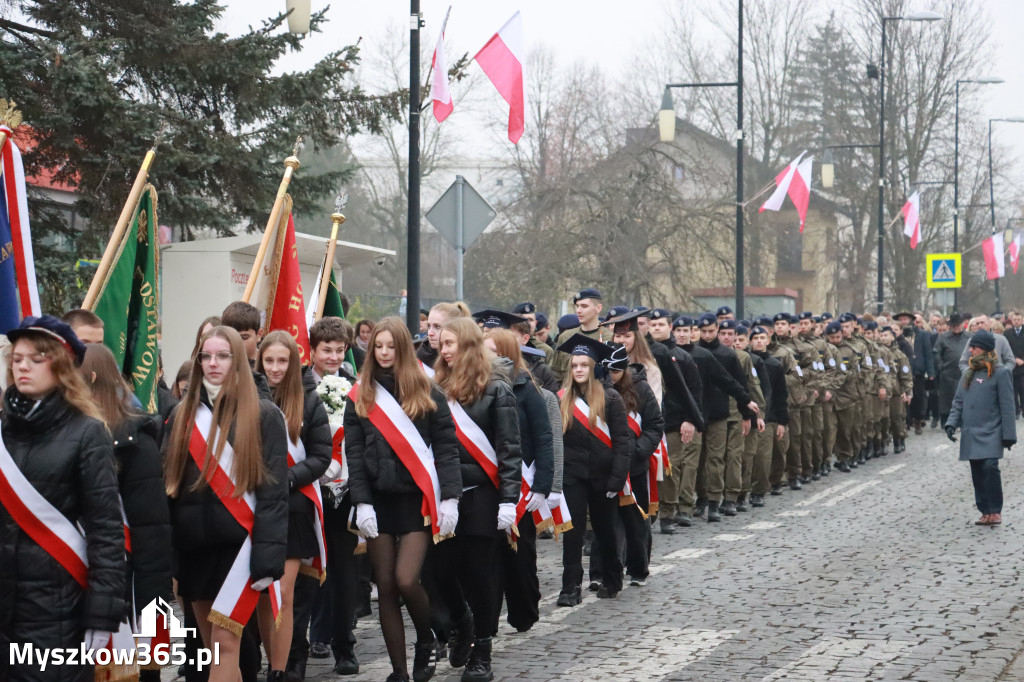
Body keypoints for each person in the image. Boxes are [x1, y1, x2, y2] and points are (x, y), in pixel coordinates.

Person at [0, 316, 126, 682]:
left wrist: (102, 614)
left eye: (36, 358)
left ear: (62, 365)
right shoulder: (3, 430)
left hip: (58, 610)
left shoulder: (88, 433)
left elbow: (106, 532)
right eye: (17, 358)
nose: (22, 365)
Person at [164, 326, 289, 682]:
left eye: (222, 355)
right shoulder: (179, 417)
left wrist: (268, 556)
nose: (212, 363)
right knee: (213, 647)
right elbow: (168, 488)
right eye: (206, 356)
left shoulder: (263, 415)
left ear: (238, 360)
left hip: (240, 549)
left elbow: (274, 492)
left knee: (224, 640)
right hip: (194, 549)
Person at [345, 317, 462, 682]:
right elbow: (354, 455)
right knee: (387, 587)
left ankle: (426, 641)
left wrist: (451, 499)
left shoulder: (428, 393)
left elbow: (446, 450)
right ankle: (399, 670)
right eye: (377, 347)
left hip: (417, 501)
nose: (382, 353)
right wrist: (361, 502)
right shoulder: (360, 395)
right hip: (378, 502)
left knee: (407, 579)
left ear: (402, 349)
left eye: (390, 347)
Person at [433, 317, 522, 681]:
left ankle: (482, 650)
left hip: (484, 496)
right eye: (441, 344)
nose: (443, 349)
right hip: (444, 496)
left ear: (469, 345)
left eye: (450, 343)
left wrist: (508, 500)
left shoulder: (497, 390)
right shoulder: (434, 387)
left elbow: (509, 449)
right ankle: (462, 621)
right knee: (438, 571)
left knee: (479, 576)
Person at [81, 343, 172, 682]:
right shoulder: (65, 433)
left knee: (133, 665)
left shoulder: (136, 437)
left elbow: (151, 524)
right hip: (79, 566)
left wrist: (151, 598)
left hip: (129, 574)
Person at [255, 331, 333, 682]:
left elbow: (321, 455)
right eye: (268, 360)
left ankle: (279, 670)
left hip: (292, 507)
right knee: (261, 593)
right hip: (251, 507)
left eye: (282, 361)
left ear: (293, 362)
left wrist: (289, 477)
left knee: (282, 591)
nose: (275, 368)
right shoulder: (245, 396)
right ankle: (271, 657)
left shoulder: (309, 400)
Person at [301, 317, 362, 677]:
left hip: (346, 493)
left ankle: (345, 645)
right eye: (327, 350)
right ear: (313, 350)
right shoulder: (301, 384)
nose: (334, 357)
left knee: (343, 570)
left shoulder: (354, 385)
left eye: (340, 350)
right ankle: (312, 635)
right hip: (312, 489)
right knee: (310, 568)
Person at [484, 329, 554, 634]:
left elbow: (544, 439)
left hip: (523, 484)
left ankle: (524, 610)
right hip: (491, 481)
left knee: (521, 553)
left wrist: (542, 486)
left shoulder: (528, 390)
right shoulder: (480, 386)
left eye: (490, 349)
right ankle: (489, 616)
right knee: (492, 556)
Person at [554, 334, 632, 605]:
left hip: (604, 478)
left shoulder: (610, 398)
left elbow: (623, 443)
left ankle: (612, 578)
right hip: (573, 477)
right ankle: (570, 587)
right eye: (574, 365)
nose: (578, 369)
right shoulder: (560, 399)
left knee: (605, 531)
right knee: (572, 534)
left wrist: (617, 479)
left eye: (584, 365)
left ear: (594, 367)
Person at [597, 344, 664, 587]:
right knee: (603, 522)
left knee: (636, 520)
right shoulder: (596, 389)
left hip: (634, 465)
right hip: (605, 465)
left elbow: (655, 425)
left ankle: (638, 568)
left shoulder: (641, 388)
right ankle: (600, 571)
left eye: (614, 372)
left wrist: (638, 451)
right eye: (606, 372)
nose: (610, 377)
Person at [945, 329, 1016, 526]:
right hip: (972, 430)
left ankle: (995, 510)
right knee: (977, 471)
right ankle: (985, 510)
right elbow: (958, 402)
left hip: (993, 430)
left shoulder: (1001, 373)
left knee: (990, 467)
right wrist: (951, 423)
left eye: (974, 347)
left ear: (984, 348)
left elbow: (1008, 407)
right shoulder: (968, 373)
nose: (970, 350)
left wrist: (1009, 435)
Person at [551, 289, 612, 381]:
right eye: (577, 306)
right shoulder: (565, 337)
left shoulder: (610, 338)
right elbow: (555, 374)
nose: (578, 310)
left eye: (584, 306)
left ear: (598, 308)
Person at [220, 302, 272, 399]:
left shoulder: (271, 367)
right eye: (231, 338)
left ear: (259, 335)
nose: (237, 343)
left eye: (244, 337)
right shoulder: (217, 366)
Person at [420, 303, 466, 370]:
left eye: (437, 327)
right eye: (429, 326)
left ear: (456, 328)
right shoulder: (419, 363)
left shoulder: (471, 360)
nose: (430, 333)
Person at [1003, 310, 1024, 417]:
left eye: (1018, 319)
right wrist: (1014, 358)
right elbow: (1006, 349)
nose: (1016, 321)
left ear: (1022, 320)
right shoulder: (1007, 333)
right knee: (1013, 390)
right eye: (1014, 320)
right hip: (1012, 365)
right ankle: (1016, 411)